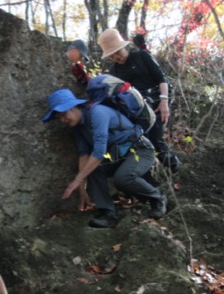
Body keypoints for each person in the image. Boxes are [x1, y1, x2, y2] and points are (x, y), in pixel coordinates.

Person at [43, 88, 167, 227]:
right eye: (59, 117)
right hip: (118, 156)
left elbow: (99, 152)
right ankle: (108, 213)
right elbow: (83, 154)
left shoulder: (98, 113)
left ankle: (157, 197)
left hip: (140, 150)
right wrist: (82, 188)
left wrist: (77, 180)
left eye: (63, 114)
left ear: (73, 107)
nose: (63, 120)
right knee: (94, 169)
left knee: (122, 179)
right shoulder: (78, 127)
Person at [98, 29, 181, 173]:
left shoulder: (142, 56)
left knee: (155, 136)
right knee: (141, 139)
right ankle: (144, 173)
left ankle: (174, 167)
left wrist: (164, 102)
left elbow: (161, 79)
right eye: (112, 55)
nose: (116, 57)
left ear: (124, 47)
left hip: (156, 99)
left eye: (118, 52)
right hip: (137, 108)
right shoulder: (114, 72)